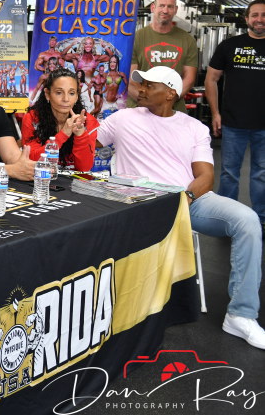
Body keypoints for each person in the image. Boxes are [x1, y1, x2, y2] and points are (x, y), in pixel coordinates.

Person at [97, 66, 264, 350]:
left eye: (149, 85)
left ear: (170, 93)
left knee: (247, 220)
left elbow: (206, 178)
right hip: (138, 202)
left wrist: (183, 199)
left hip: (187, 200)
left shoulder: (194, 127)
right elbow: (85, 144)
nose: (141, 89)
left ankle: (241, 315)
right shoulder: (122, 118)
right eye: (141, 84)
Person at [205, 0, 265, 223]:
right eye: (255, 15)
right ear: (247, 18)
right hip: (233, 122)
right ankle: (226, 219)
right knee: (229, 173)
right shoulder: (229, 46)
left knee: (262, 174)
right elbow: (211, 79)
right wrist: (215, 113)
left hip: (264, 125)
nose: (260, 19)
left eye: (264, 15)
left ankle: (260, 219)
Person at [129, 0, 199, 113]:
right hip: (139, 111)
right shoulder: (135, 38)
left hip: (173, 111)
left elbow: (189, 79)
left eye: (170, 7)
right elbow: (130, 80)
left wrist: (166, 104)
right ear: (153, 7)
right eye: (161, 5)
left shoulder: (188, 40)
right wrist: (151, 104)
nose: (165, 10)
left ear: (175, 10)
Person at [21, 69, 98, 171]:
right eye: (59, 93)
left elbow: (84, 168)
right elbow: (31, 160)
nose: (65, 99)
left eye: (71, 93)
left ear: (77, 96)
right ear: (47, 94)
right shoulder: (32, 118)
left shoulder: (87, 121)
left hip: (74, 180)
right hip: (41, 177)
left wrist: (80, 135)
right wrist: (63, 134)